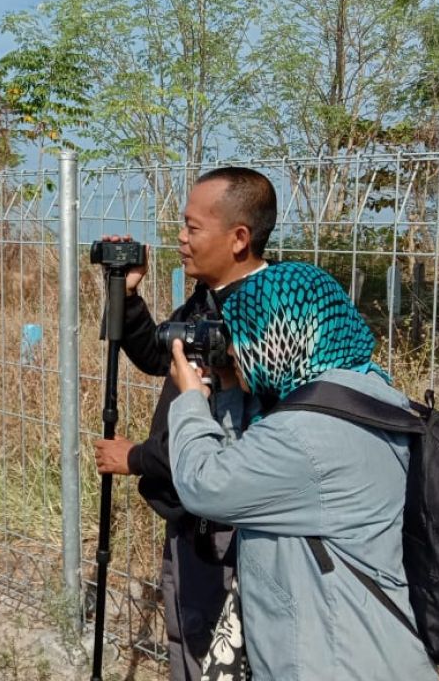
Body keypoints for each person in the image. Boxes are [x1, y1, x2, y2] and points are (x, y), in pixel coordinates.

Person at [166, 261, 437, 680]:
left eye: (244, 337)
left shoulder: (306, 435)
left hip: (334, 660)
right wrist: (235, 389)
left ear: (279, 340)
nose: (234, 351)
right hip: (365, 644)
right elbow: (254, 462)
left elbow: (205, 485)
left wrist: (189, 401)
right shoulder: (364, 393)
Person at [93, 166, 276, 680]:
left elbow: (223, 439)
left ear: (238, 238)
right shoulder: (211, 297)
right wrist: (126, 297)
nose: (180, 236)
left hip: (222, 526)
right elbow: (160, 355)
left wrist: (135, 457)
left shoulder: (259, 316)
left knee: (207, 642)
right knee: (190, 630)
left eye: (193, 227)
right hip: (192, 511)